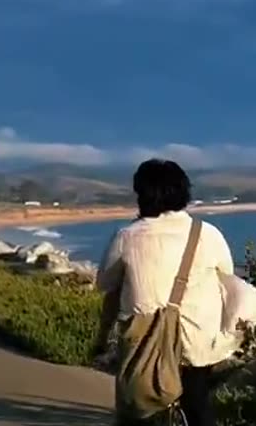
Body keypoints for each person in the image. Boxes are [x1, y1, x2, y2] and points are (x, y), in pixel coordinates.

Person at [94, 159, 236, 426]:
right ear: (184, 192)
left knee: (137, 413)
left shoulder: (127, 236)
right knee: (198, 406)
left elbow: (106, 287)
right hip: (197, 344)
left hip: (145, 343)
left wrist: (101, 341)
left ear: (142, 195)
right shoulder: (208, 234)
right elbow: (227, 278)